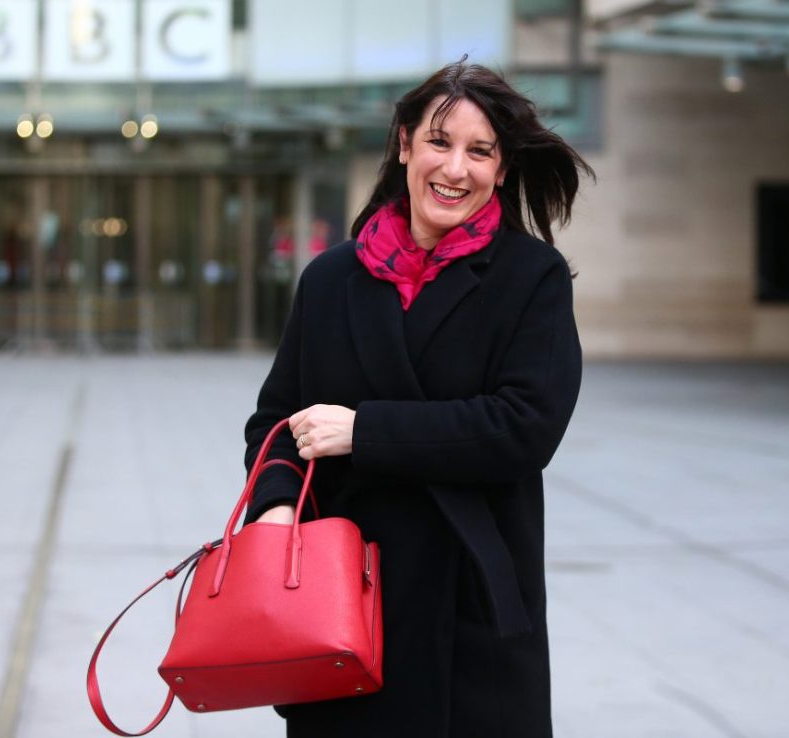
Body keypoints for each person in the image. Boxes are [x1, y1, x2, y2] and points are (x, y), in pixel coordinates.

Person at [243, 60, 592, 738]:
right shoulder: (330, 278)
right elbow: (276, 421)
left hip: (472, 606)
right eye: (438, 142)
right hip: (339, 607)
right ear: (403, 144)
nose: (455, 168)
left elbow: (526, 427)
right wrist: (275, 506)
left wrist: (365, 431)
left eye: (479, 151)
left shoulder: (531, 278)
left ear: (501, 167)